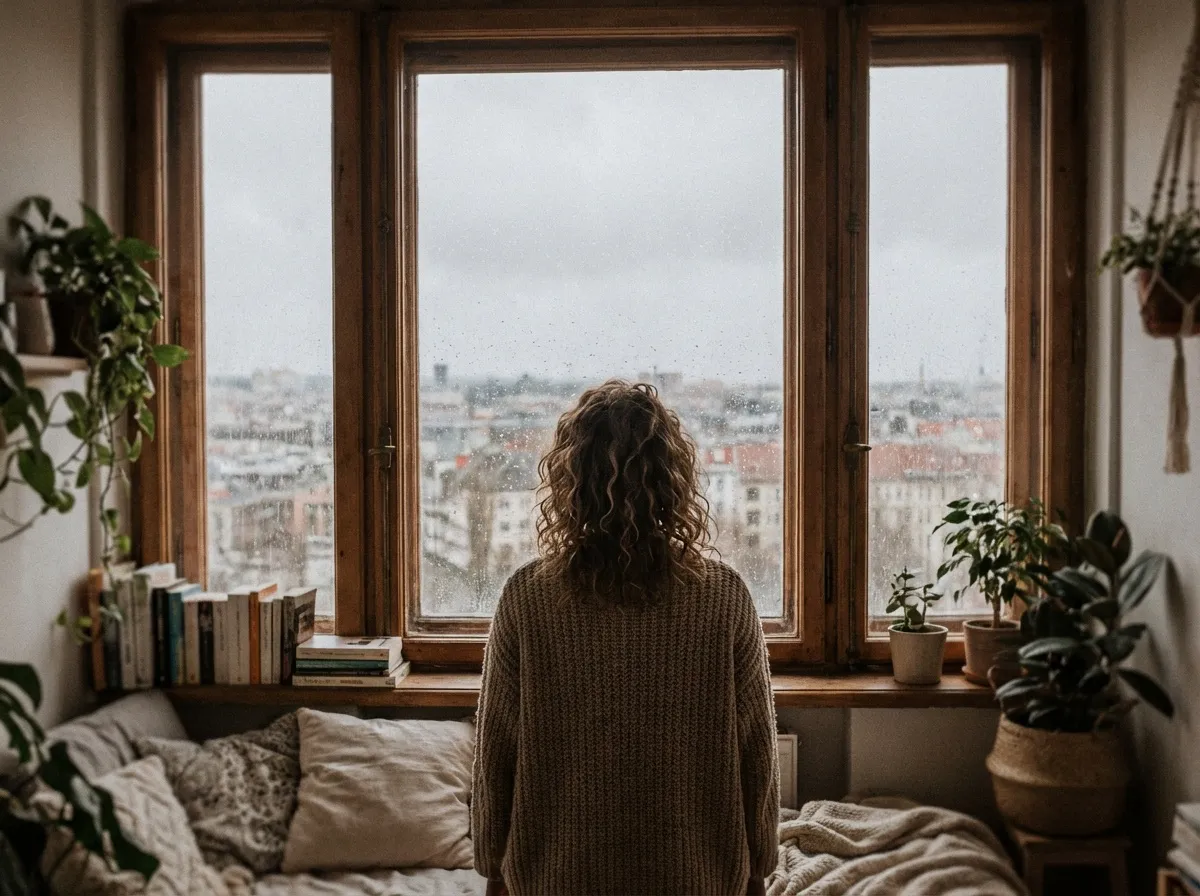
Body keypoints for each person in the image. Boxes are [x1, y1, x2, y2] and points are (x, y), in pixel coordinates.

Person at [472, 379, 779, 896]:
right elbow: (757, 752)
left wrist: (492, 863)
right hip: (697, 878)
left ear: (569, 482)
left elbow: (497, 749)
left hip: (556, 878)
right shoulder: (724, 597)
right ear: (673, 480)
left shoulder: (526, 597)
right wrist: (759, 865)